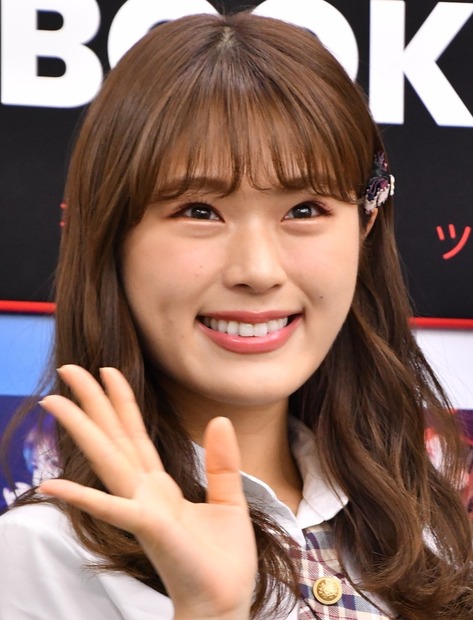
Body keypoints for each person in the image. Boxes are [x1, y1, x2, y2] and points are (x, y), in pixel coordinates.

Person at [0, 11, 472, 620]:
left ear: (365, 227)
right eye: (199, 210)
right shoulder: (43, 553)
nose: (258, 269)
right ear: (109, 236)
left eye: (305, 209)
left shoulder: (428, 534)